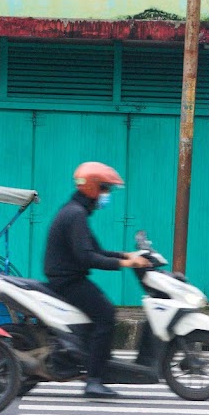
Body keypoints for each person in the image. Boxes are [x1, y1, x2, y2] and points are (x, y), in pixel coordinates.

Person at [44, 161, 150, 399]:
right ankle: (93, 380)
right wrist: (126, 263)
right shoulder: (75, 215)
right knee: (106, 315)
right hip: (67, 282)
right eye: (105, 189)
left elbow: (96, 250)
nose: (107, 195)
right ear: (93, 187)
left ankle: (95, 363)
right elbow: (88, 257)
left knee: (100, 316)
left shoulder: (75, 211)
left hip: (67, 279)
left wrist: (127, 255)